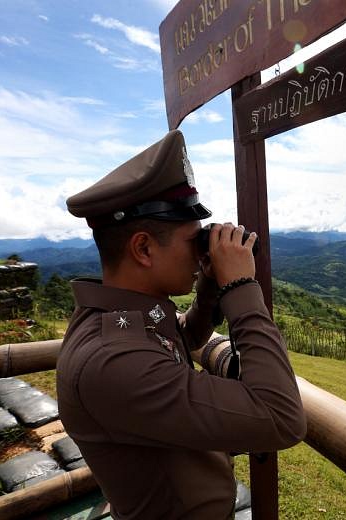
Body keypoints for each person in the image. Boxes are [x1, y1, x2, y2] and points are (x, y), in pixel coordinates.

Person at [56, 129, 307, 519]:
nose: (199, 251)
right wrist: (241, 287)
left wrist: (208, 286)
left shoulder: (128, 316)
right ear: (143, 249)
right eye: (194, 241)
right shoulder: (112, 361)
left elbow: (182, 335)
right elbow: (282, 416)